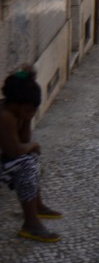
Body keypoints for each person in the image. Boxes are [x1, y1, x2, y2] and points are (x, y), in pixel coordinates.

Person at [0, 66, 62, 243]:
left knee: (30, 158)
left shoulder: (14, 112)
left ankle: (36, 206)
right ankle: (31, 223)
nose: (32, 113)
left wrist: (26, 119)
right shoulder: (4, 116)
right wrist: (33, 145)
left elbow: (23, 140)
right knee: (26, 162)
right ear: (16, 104)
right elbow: (15, 151)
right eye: (29, 110)